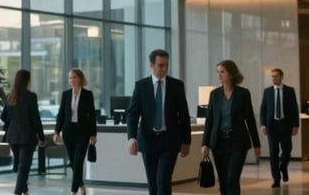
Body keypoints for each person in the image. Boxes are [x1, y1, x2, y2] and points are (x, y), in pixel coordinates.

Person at [126, 49, 191, 195]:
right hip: (148, 140)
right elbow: (133, 114)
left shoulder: (176, 86)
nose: (164, 69)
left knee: (163, 180)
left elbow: (184, 115)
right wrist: (131, 137)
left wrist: (186, 140)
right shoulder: (141, 86)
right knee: (153, 183)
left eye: (166, 65)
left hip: (169, 140)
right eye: (160, 65)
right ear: (151, 65)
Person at [201, 60, 261, 195]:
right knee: (223, 181)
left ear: (231, 74)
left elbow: (250, 120)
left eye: (222, 72)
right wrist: (204, 143)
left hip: (237, 142)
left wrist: (256, 143)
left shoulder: (243, 93)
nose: (219, 75)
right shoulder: (215, 94)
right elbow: (209, 120)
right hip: (219, 143)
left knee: (232, 179)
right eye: (218, 72)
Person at [0, 69, 46, 195]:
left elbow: (3, 116)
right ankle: (17, 192)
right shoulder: (31, 96)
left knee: (21, 166)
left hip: (12, 137)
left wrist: (13, 121)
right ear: (27, 81)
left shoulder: (10, 96)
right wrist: (41, 136)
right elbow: (35, 118)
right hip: (27, 137)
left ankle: (25, 191)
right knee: (24, 166)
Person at [53, 68, 97, 195]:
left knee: (78, 161)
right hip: (68, 132)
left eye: (74, 77)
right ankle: (81, 184)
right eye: (70, 78)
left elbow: (92, 115)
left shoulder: (88, 94)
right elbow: (61, 114)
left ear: (80, 79)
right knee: (73, 162)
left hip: (83, 132)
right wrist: (57, 131)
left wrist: (93, 133)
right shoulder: (66, 94)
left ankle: (73, 191)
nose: (71, 80)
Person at [259, 68, 299, 188]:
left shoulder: (289, 91)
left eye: (276, 76)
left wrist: (296, 125)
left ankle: (283, 167)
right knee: (273, 153)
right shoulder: (267, 91)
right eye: (272, 76)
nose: (273, 78)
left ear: (281, 77)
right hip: (272, 126)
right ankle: (276, 179)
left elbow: (294, 109)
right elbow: (263, 109)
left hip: (285, 125)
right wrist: (262, 124)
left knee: (287, 150)